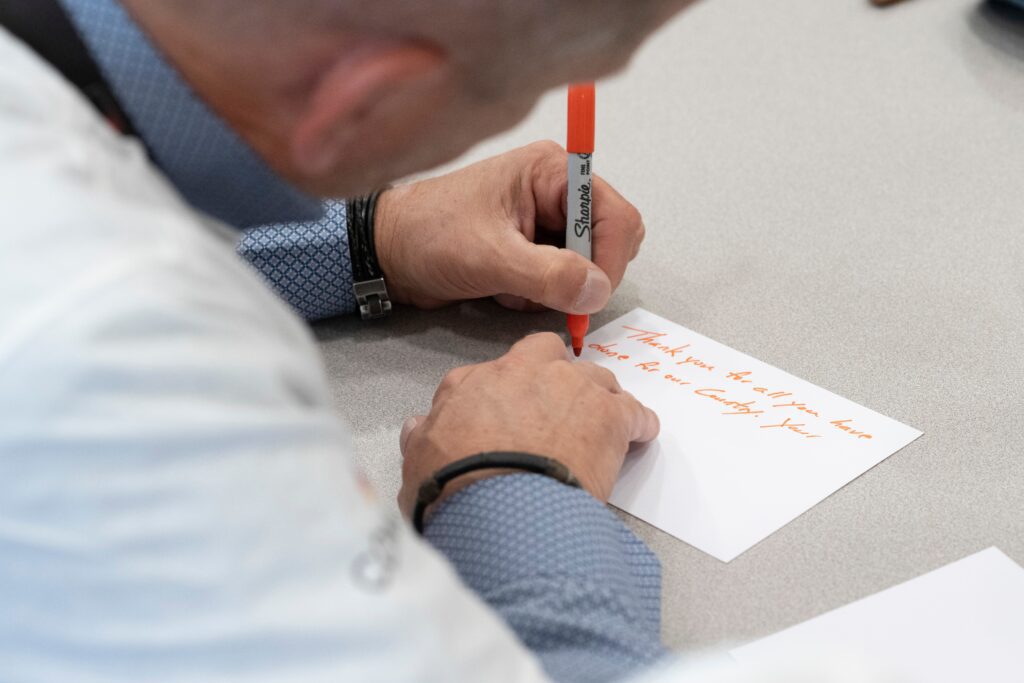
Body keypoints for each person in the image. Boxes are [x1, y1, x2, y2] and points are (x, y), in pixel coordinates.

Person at [0, 0, 698, 682]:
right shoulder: (123, 373)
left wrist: (371, 235)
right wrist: (510, 489)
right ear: (364, 102)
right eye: (525, 95)